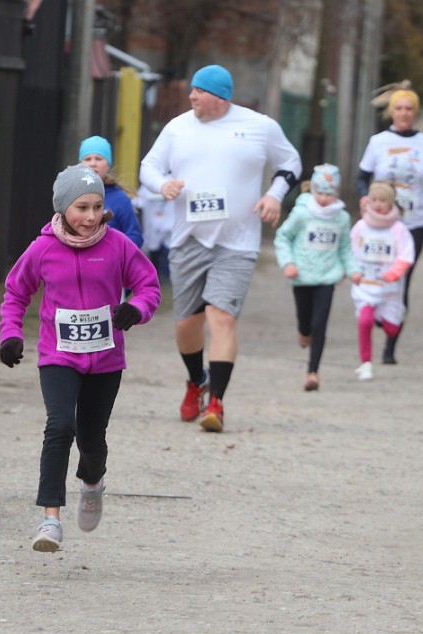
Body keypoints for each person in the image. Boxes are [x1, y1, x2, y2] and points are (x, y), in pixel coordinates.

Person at [0, 164, 161, 553]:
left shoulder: (119, 245)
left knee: (91, 440)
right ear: (63, 209)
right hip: (58, 356)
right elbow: (15, 293)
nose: (90, 217)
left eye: (96, 208)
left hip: (105, 362)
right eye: (81, 208)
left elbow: (148, 286)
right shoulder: (42, 249)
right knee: (59, 427)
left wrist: (135, 309)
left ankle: (93, 482)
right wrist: (10, 335)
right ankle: (50, 519)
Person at [139, 64, 301, 431]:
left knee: (222, 318)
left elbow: (290, 163)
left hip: (237, 242)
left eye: (199, 91)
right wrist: (161, 185)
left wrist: (274, 195)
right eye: (192, 90)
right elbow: (149, 166)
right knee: (186, 324)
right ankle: (197, 381)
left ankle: (217, 403)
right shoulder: (178, 127)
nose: (192, 96)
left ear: (220, 96)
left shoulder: (260, 127)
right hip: (188, 239)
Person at [357, 86, 423, 365]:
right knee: (378, 274)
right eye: (399, 108)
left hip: (414, 223)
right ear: (392, 111)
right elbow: (362, 177)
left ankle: (390, 344)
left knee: (402, 280)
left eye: (409, 109)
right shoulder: (378, 141)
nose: (404, 113)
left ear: (415, 113)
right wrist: (364, 196)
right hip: (381, 223)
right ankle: (379, 313)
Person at [274, 164, 361, 391]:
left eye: (329, 194)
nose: (323, 198)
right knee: (306, 323)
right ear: (312, 190)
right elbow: (283, 237)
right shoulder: (302, 213)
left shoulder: (341, 218)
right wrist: (288, 263)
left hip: (327, 277)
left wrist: (353, 270)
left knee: (320, 324)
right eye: (319, 192)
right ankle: (303, 332)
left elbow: (345, 248)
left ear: (337, 194)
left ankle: (313, 372)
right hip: (301, 275)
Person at [348, 181, 415, 381]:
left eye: (383, 200)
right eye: (374, 199)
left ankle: (384, 317)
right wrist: (350, 271)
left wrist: (394, 273)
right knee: (364, 320)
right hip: (365, 285)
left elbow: (406, 255)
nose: (378, 204)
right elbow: (349, 251)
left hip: (389, 289)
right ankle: (366, 363)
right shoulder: (360, 226)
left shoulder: (398, 229)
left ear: (391, 202)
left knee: (392, 329)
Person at [78, 135, 144, 249]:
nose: (93, 163)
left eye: (98, 158)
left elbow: (136, 236)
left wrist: (112, 251)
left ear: (108, 165)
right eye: (87, 159)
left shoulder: (120, 199)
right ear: (80, 164)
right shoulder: (71, 195)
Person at [135, 184, 173, 278]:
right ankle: (156, 275)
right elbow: (137, 202)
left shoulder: (174, 183)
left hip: (170, 225)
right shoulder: (147, 185)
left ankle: (166, 275)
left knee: (168, 252)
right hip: (152, 225)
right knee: (154, 252)